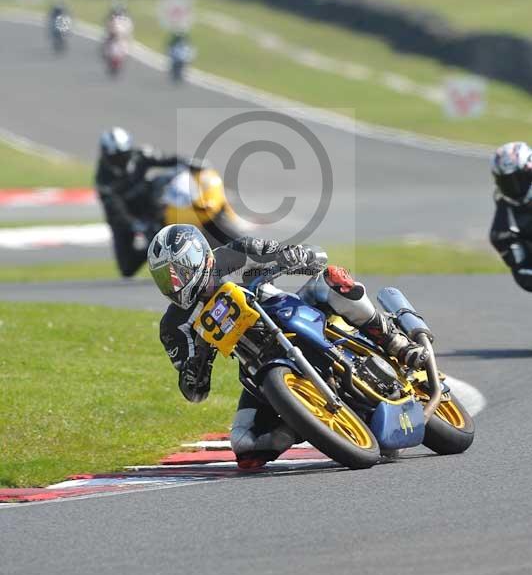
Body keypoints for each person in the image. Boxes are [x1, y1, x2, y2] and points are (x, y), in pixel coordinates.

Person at [147, 223, 430, 470]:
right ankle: (310, 423)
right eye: (163, 278)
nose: (172, 284)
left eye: (175, 273)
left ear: (196, 258)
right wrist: (197, 363)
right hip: (256, 367)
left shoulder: (236, 253)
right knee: (245, 446)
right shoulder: (173, 326)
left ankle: (395, 341)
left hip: (291, 313)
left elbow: (317, 257)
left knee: (332, 280)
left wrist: (295, 256)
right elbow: (194, 392)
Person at [95, 128, 202, 277]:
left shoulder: (139, 156)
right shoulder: (103, 178)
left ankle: (192, 256)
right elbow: (114, 208)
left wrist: (187, 162)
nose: (121, 160)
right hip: (124, 218)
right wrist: (134, 224)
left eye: (123, 154)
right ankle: (153, 250)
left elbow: (164, 159)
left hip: (148, 205)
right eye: (116, 157)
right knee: (127, 268)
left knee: (160, 184)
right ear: (106, 155)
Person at [490, 141, 532, 291]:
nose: (515, 187)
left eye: (520, 179)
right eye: (507, 182)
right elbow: (523, 273)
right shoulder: (504, 229)